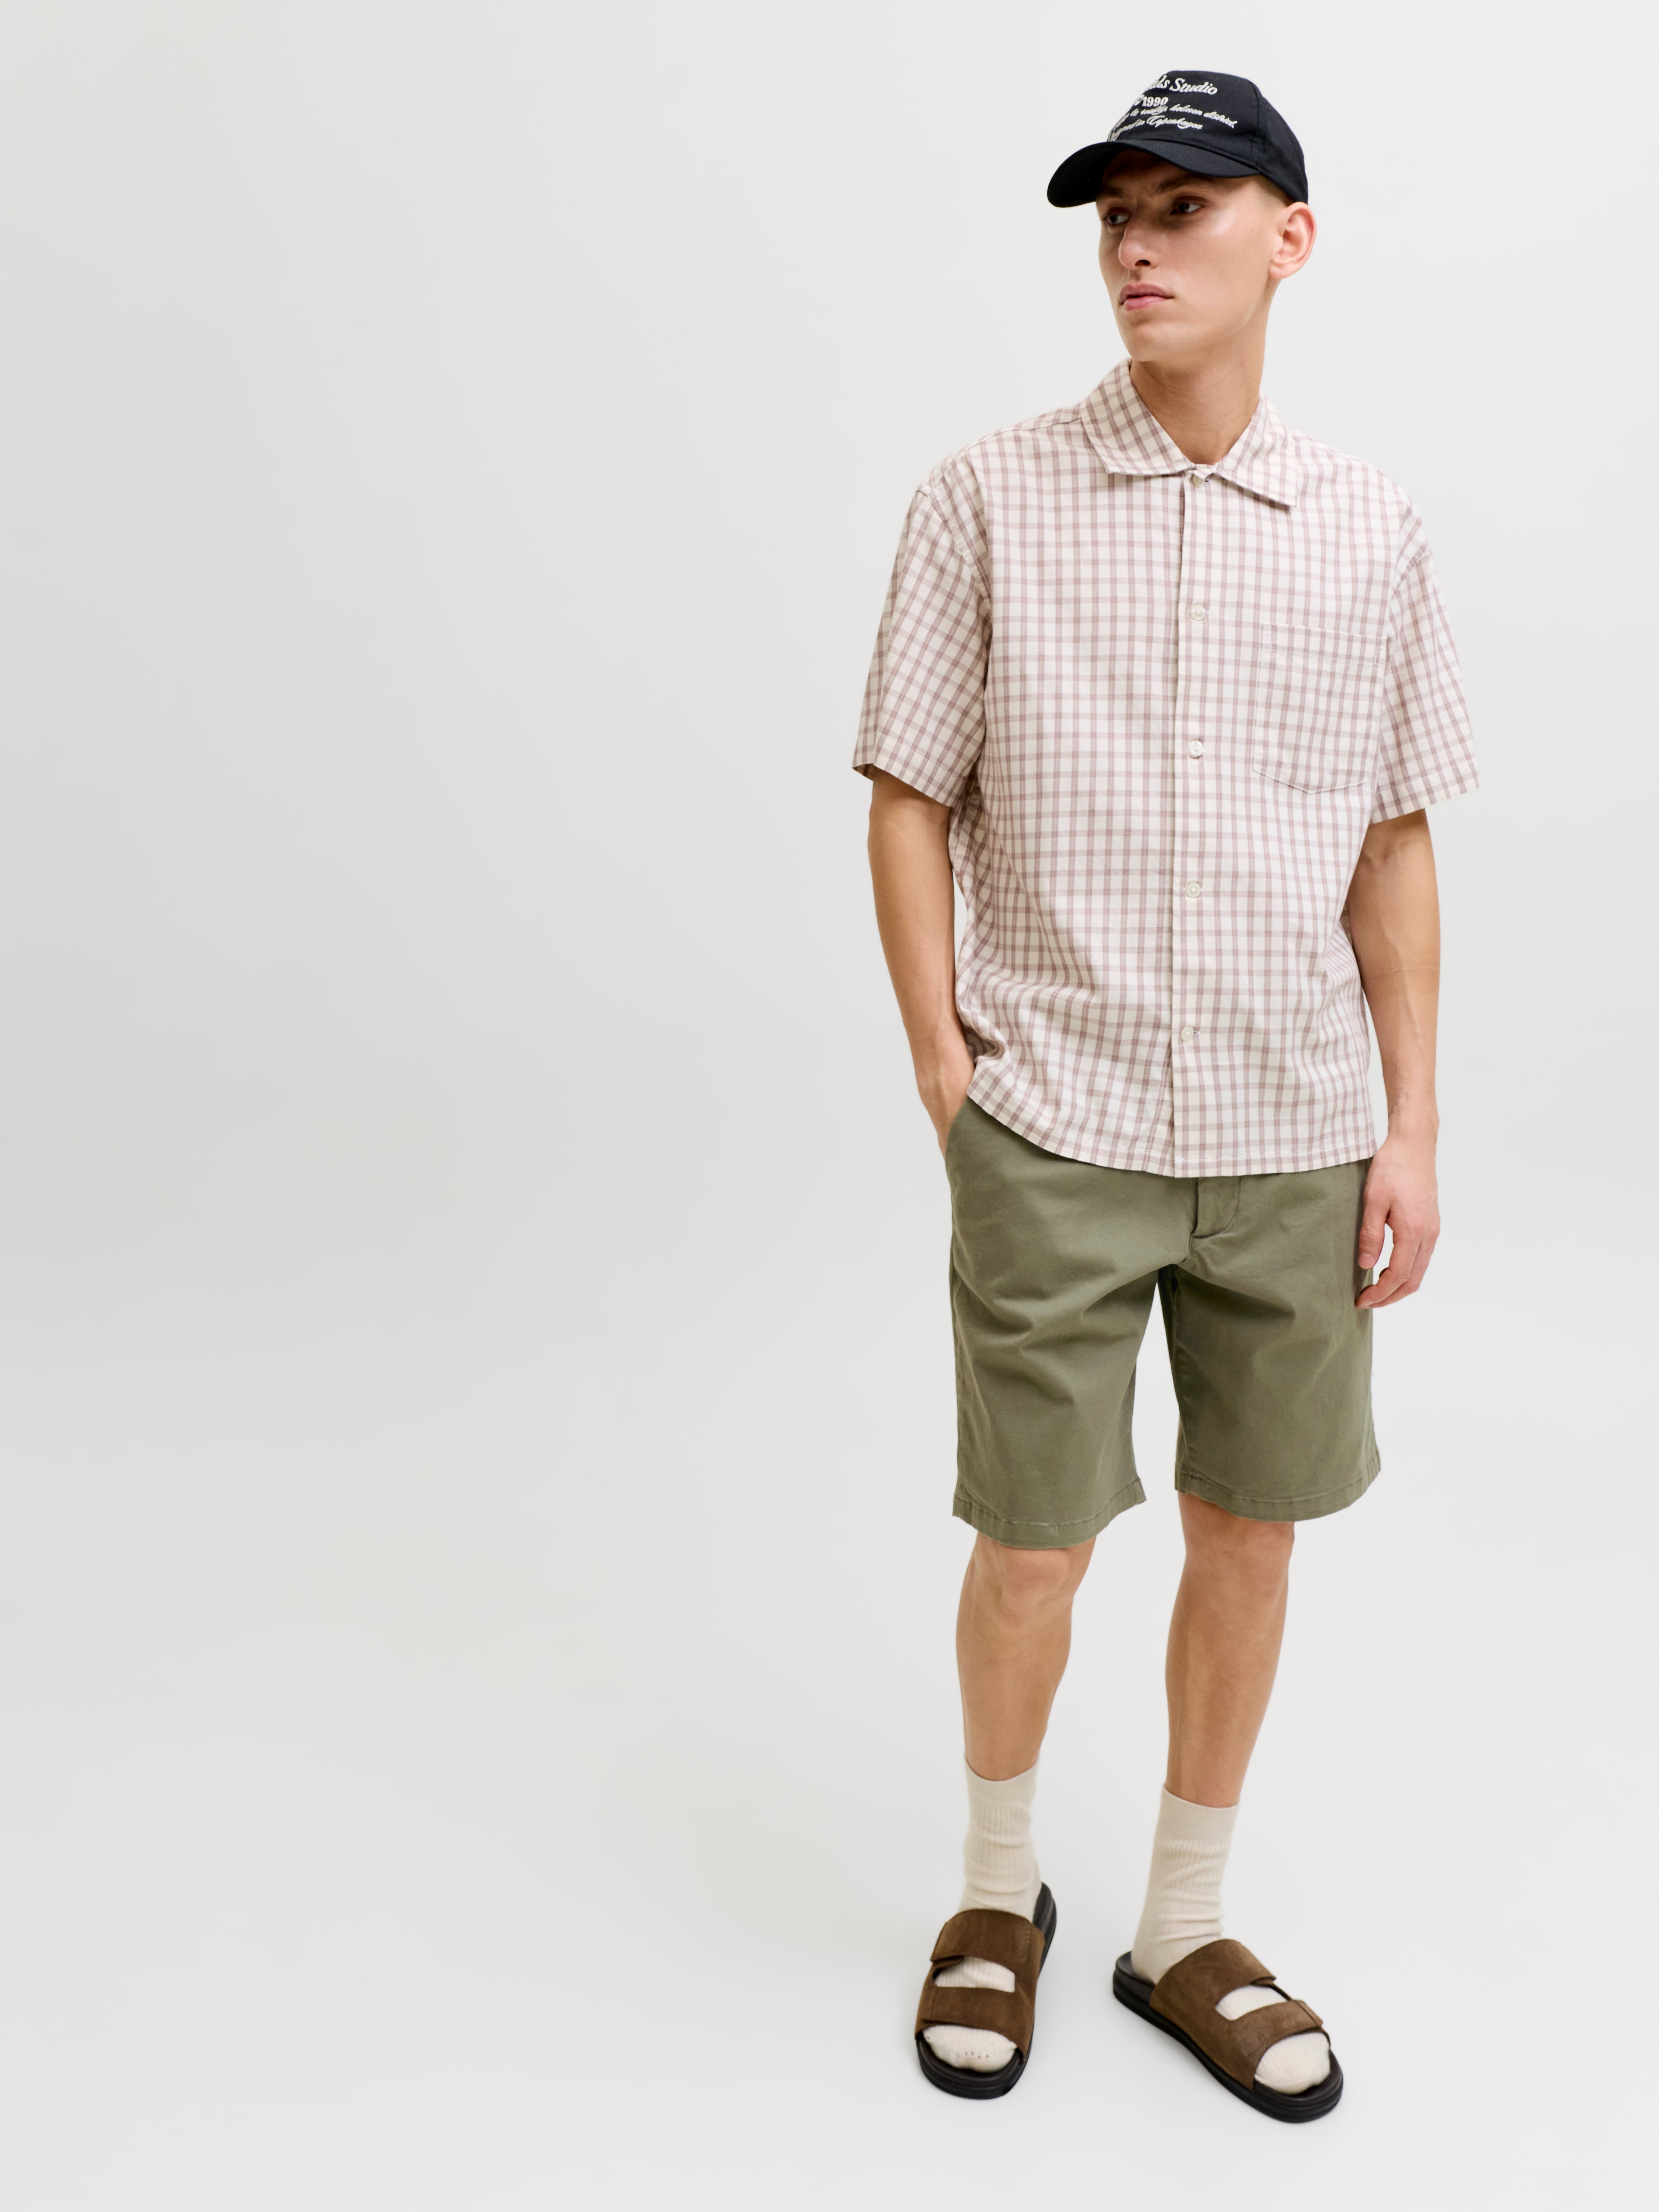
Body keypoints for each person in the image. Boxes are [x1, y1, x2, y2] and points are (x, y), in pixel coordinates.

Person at [855, 70, 1478, 2119]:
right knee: (1032, 1545)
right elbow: (907, 791)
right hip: (1056, 1124)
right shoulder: (985, 498)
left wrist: (1410, 1123)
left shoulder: (1368, 524)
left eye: (1182, 207)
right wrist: (948, 1067)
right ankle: (993, 1892)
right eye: (1114, 212)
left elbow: (1392, 841)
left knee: (1251, 1534)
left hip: (1293, 1135)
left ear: (1287, 238)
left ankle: (1183, 1922)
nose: (1135, 243)